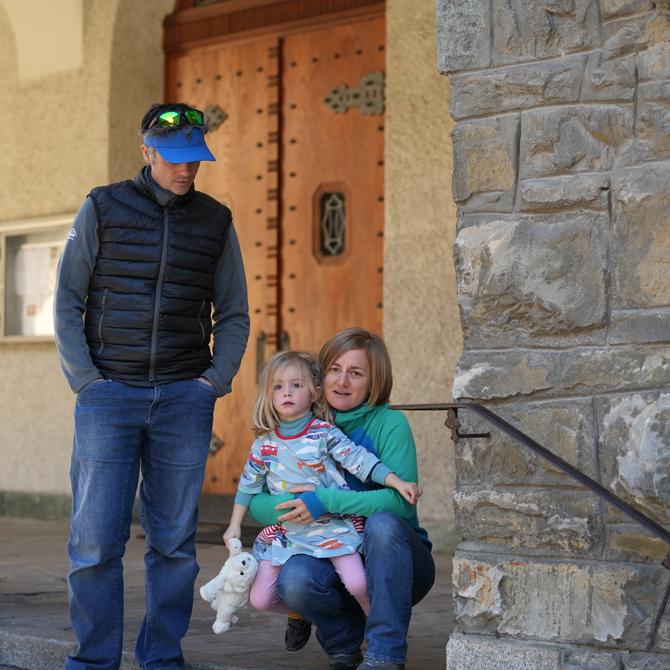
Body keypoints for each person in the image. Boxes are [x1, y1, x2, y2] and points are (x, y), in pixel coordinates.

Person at [53, 102, 250, 670]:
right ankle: (93, 662)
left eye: (195, 160)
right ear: (147, 152)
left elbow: (233, 312)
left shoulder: (215, 220)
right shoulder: (102, 206)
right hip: (107, 395)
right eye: (175, 159)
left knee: (174, 546)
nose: (186, 170)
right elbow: (67, 299)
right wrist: (85, 380)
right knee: (94, 545)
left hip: (182, 398)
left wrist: (213, 381)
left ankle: (162, 659)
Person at [248, 328, 434, 670]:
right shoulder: (302, 422)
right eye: (334, 369)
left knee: (382, 523)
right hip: (329, 550)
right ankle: (344, 644)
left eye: (356, 372)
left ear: (375, 379)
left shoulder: (390, 423)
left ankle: (384, 654)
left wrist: (324, 500)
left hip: (398, 562)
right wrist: (291, 504)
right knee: (295, 580)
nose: (342, 381)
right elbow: (255, 503)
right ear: (319, 378)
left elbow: (401, 504)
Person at [223, 350, 419, 622]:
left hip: (331, 527)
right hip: (289, 533)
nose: (287, 393)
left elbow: (360, 460)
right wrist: (234, 525)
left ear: (315, 393)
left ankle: (374, 626)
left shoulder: (324, 433)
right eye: (278, 387)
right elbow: (248, 485)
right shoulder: (263, 445)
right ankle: (304, 612)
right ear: (268, 395)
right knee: (259, 599)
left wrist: (397, 481)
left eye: (296, 385)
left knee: (358, 584)